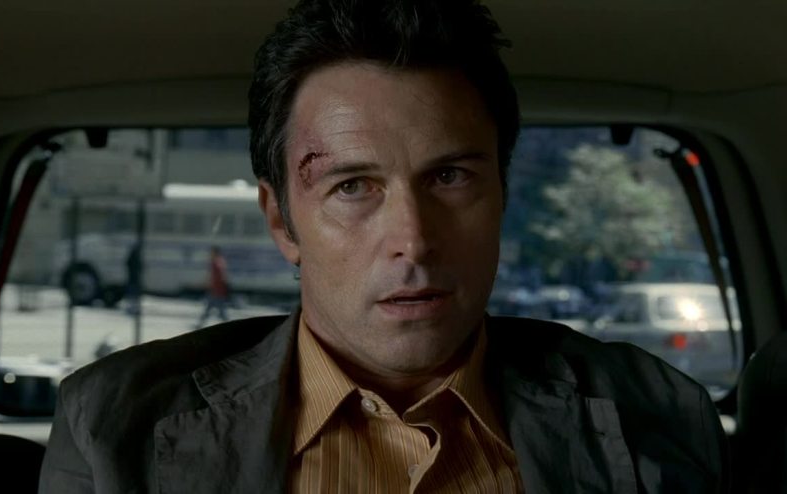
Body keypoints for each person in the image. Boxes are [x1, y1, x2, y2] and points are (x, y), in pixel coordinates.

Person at [39, 0, 729, 492]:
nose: (414, 240)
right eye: (352, 186)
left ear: (502, 194)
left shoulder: (656, 413)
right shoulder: (114, 428)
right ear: (281, 222)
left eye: (451, 177)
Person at [195, 245, 230, 329]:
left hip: (216, 290)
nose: (210, 254)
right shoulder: (221, 261)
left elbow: (216, 277)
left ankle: (200, 324)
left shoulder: (215, 262)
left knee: (218, 310)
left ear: (215, 253)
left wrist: (208, 284)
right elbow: (223, 277)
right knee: (213, 309)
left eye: (211, 252)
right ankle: (200, 324)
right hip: (218, 290)